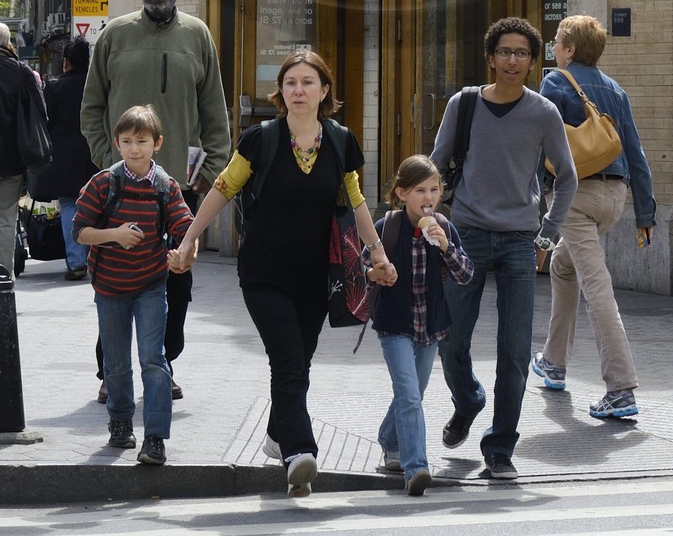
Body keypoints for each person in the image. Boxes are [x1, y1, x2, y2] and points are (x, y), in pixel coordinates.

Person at [173, 49, 395, 498]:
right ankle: (299, 452)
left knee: (299, 363)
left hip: (317, 276)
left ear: (324, 91)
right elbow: (223, 188)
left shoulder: (340, 141)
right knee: (288, 361)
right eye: (290, 82)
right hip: (264, 273)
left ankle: (277, 434)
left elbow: (355, 203)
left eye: (308, 82)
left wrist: (379, 255)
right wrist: (189, 239)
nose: (298, 90)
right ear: (281, 91)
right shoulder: (262, 139)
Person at [430, 16, 577, 481]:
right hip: (466, 234)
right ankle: (468, 399)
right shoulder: (464, 104)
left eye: (522, 53)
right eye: (505, 52)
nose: (513, 60)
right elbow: (435, 165)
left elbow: (567, 177)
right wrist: (425, 217)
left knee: (514, 351)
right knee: (450, 340)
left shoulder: (543, 112)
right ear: (491, 58)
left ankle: (499, 448)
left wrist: (548, 233)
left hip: (518, 242)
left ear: (533, 62)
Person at [81, 0, 231, 397]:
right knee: (115, 281)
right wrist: (106, 158)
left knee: (176, 281)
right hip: (119, 188)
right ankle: (112, 374)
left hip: (177, 187)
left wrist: (211, 171)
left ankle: (162, 366)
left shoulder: (197, 35)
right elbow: (91, 107)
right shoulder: (115, 34)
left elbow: (214, 112)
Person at [533, 13, 656, 422]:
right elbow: (635, 153)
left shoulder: (555, 82)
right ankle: (553, 363)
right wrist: (645, 213)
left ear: (569, 49)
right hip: (614, 198)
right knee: (563, 266)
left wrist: (533, 200)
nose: (553, 47)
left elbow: (539, 143)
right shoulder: (616, 90)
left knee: (596, 286)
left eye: (556, 41)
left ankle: (620, 388)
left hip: (574, 197)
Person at [72, 103, 194, 468]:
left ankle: (155, 437)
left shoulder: (165, 186)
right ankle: (121, 421)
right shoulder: (103, 183)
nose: (134, 149)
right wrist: (115, 234)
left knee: (153, 359)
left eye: (142, 141)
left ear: (157, 143)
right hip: (109, 287)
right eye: (127, 141)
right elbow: (79, 231)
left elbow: (185, 227)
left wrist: (184, 253)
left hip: (151, 285)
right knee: (116, 363)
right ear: (117, 143)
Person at [365, 154, 473, 496]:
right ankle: (416, 468)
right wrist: (376, 273)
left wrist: (446, 247)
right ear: (401, 193)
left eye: (434, 189)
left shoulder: (444, 227)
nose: (428, 197)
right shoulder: (386, 227)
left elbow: (466, 275)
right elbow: (362, 270)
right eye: (420, 190)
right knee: (410, 395)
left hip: (431, 327)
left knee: (413, 393)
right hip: (394, 326)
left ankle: (388, 439)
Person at [37, 37, 96, 279]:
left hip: (65, 157)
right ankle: (96, 259)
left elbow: (45, 121)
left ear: (66, 62)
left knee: (70, 204)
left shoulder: (54, 87)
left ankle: (76, 261)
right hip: (94, 153)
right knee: (98, 205)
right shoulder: (97, 86)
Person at [0, 20, 49, 276]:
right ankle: (3, 276)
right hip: (12, 160)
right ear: (8, 43)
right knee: (5, 220)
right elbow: (41, 112)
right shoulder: (20, 71)